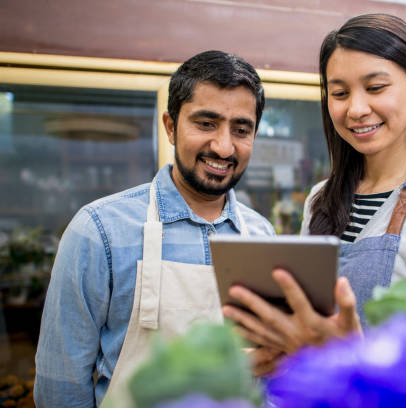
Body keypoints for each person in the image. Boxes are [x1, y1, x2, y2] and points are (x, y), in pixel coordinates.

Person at [222, 13, 406, 373]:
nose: (356, 108)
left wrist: (349, 353)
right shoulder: (322, 198)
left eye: (376, 87)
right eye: (339, 93)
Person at [33, 50, 276, 407]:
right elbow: (61, 387)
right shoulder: (99, 231)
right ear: (171, 126)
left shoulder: (262, 236)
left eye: (241, 129)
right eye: (206, 124)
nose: (224, 146)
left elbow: (266, 379)